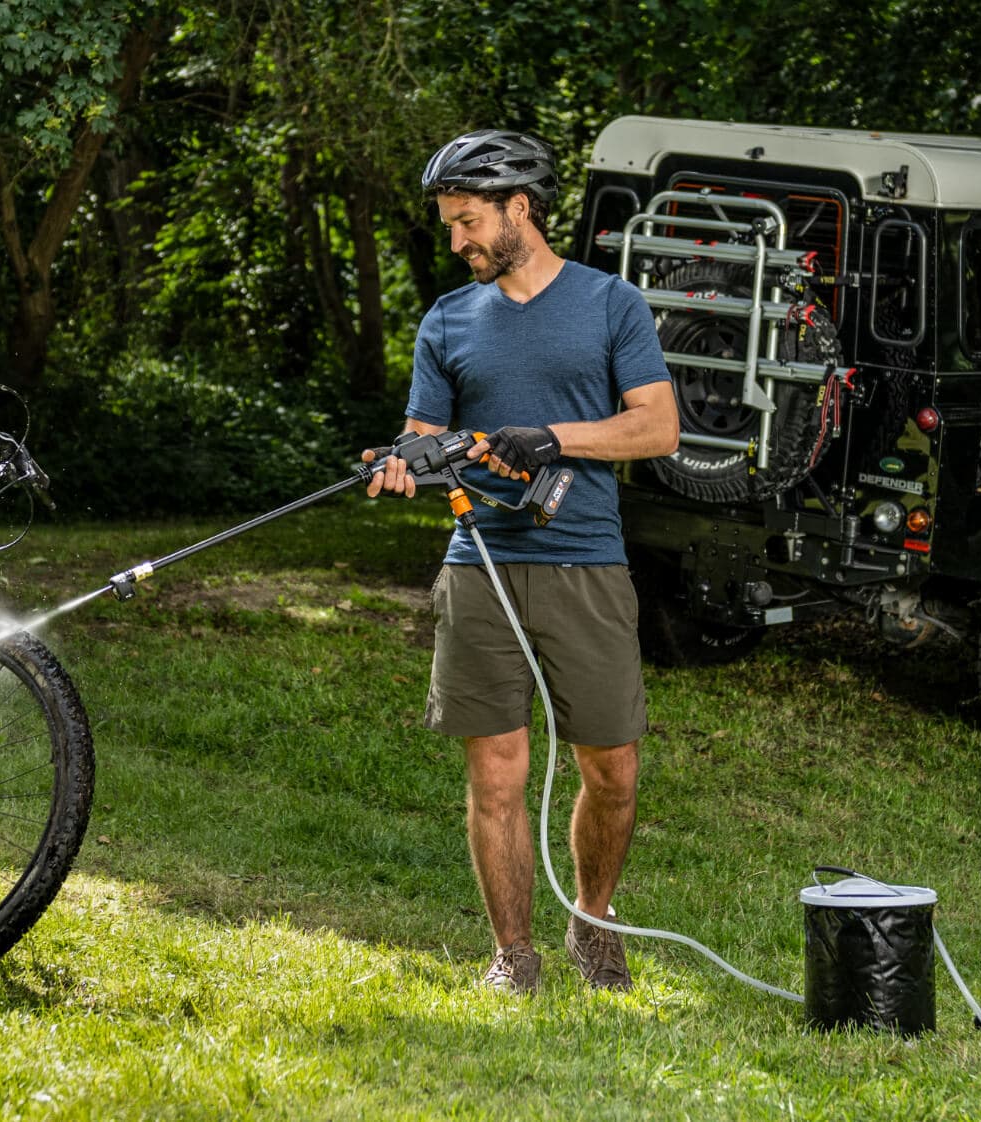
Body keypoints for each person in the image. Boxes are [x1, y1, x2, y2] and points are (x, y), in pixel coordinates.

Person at [363, 129, 678, 995]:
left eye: (468, 222)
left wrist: (553, 440)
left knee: (611, 768)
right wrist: (401, 464)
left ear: (520, 210)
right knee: (495, 772)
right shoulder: (448, 319)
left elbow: (657, 426)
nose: (458, 240)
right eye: (451, 225)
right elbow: (425, 439)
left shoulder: (610, 304)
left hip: (587, 563)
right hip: (481, 567)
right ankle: (513, 952)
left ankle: (595, 922)